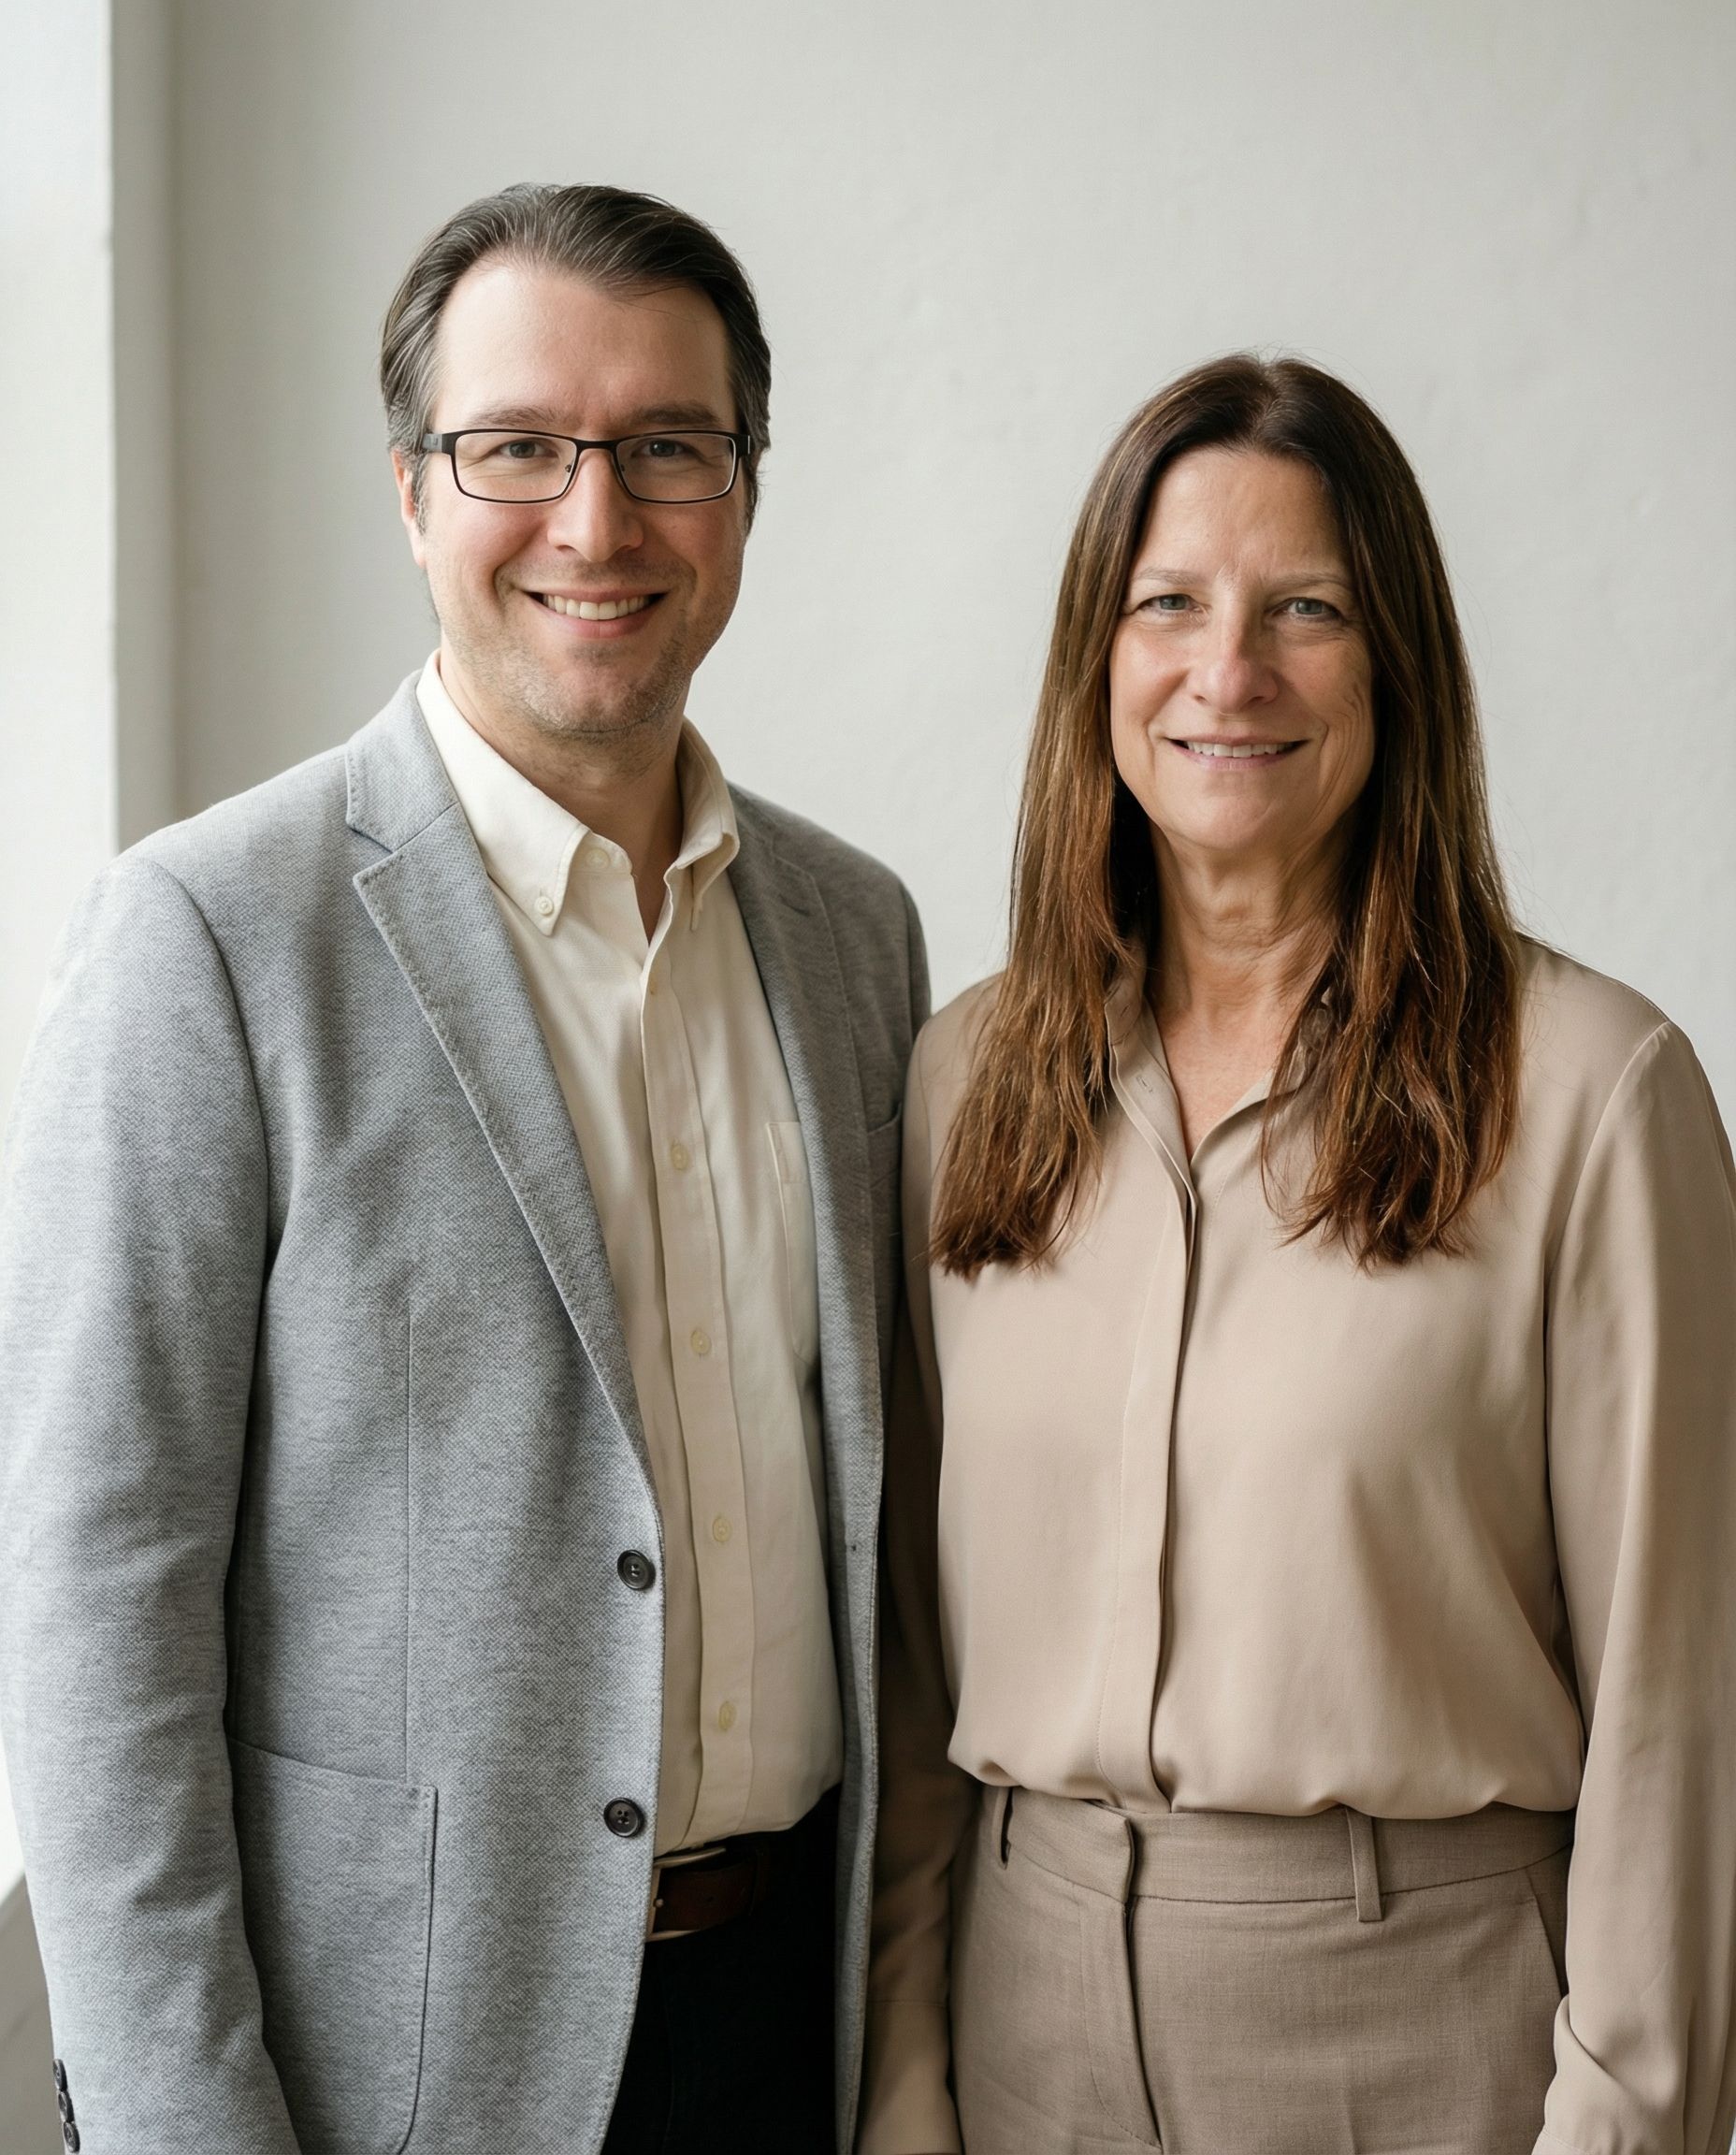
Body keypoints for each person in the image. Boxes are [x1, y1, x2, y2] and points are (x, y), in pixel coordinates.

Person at [0, 181, 925, 2155]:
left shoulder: (856, 938)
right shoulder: (209, 936)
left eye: (666, 449)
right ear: (412, 490)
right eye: (518, 449)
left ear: (744, 493)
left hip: (792, 2021)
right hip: (390, 2070)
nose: (596, 523)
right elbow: (96, 1603)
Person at [860, 354, 1736, 2155]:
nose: (1227, 671)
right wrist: (904, 2076)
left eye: (1306, 610)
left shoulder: (1590, 1094)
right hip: (1021, 2032)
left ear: (1396, 658)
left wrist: (1629, 2118)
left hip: (1424, 2041)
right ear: (1092, 662)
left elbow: (1682, 1697)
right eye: (1166, 603)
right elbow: (910, 1661)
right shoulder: (966, 1081)